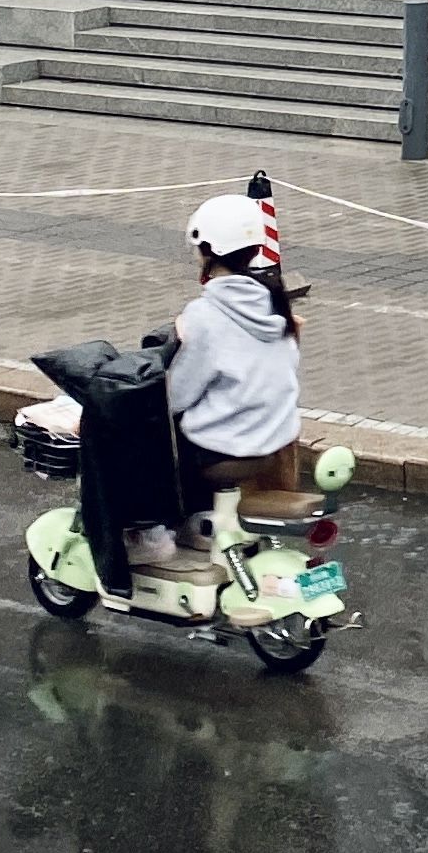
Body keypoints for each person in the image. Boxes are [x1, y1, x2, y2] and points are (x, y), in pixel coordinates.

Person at [128, 195, 306, 571]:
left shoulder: (205, 315)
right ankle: (200, 525)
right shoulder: (275, 304)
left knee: (153, 438)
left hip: (230, 448)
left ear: (207, 250)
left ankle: (151, 536)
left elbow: (178, 394)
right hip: (274, 437)